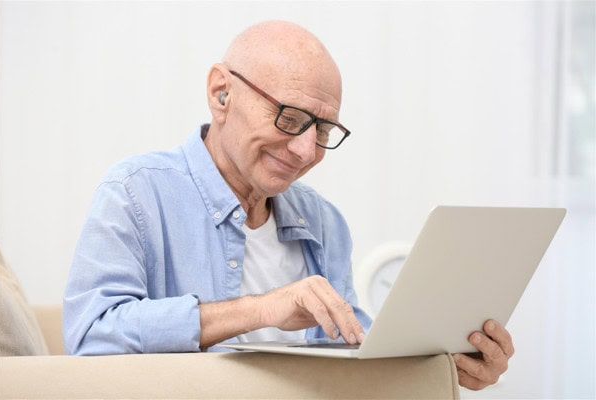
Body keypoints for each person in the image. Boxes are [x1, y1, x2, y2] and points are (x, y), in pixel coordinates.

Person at [63, 20, 513, 390]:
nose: (304, 151)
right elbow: (91, 335)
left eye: (321, 131)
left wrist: (446, 359)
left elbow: (353, 345)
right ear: (222, 93)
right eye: (290, 118)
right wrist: (261, 309)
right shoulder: (136, 192)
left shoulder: (323, 221)